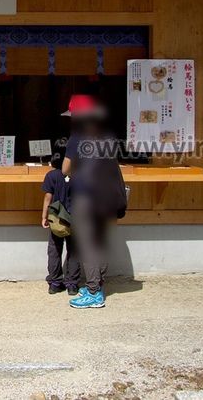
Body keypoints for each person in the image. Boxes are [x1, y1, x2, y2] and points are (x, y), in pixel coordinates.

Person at [63, 95, 127, 309]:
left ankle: (93, 292)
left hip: (88, 197)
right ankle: (98, 285)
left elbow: (65, 169)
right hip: (108, 197)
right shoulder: (106, 136)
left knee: (88, 245)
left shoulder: (77, 138)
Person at [41, 154, 79, 295]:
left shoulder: (51, 175)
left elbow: (47, 197)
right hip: (75, 217)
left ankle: (55, 283)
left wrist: (44, 216)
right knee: (74, 250)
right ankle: (72, 284)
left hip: (56, 217)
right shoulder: (78, 175)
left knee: (55, 250)